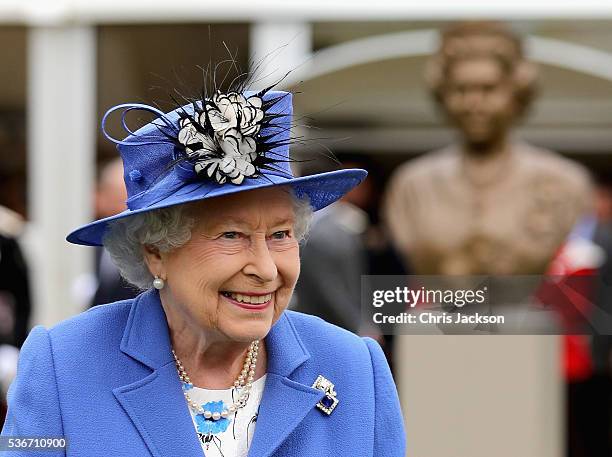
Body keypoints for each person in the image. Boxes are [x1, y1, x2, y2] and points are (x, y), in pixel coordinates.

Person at [1, 81, 406, 456]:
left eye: (281, 235)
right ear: (156, 251)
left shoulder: (354, 367)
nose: (265, 269)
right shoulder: (64, 364)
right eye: (231, 235)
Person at [384, 21, 591, 276]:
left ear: (517, 94)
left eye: (488, 89)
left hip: (528, 314)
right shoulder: (412, 185)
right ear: (443, 95)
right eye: (460, 90)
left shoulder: (564, 180)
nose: (473, 103)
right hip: (439, 314)